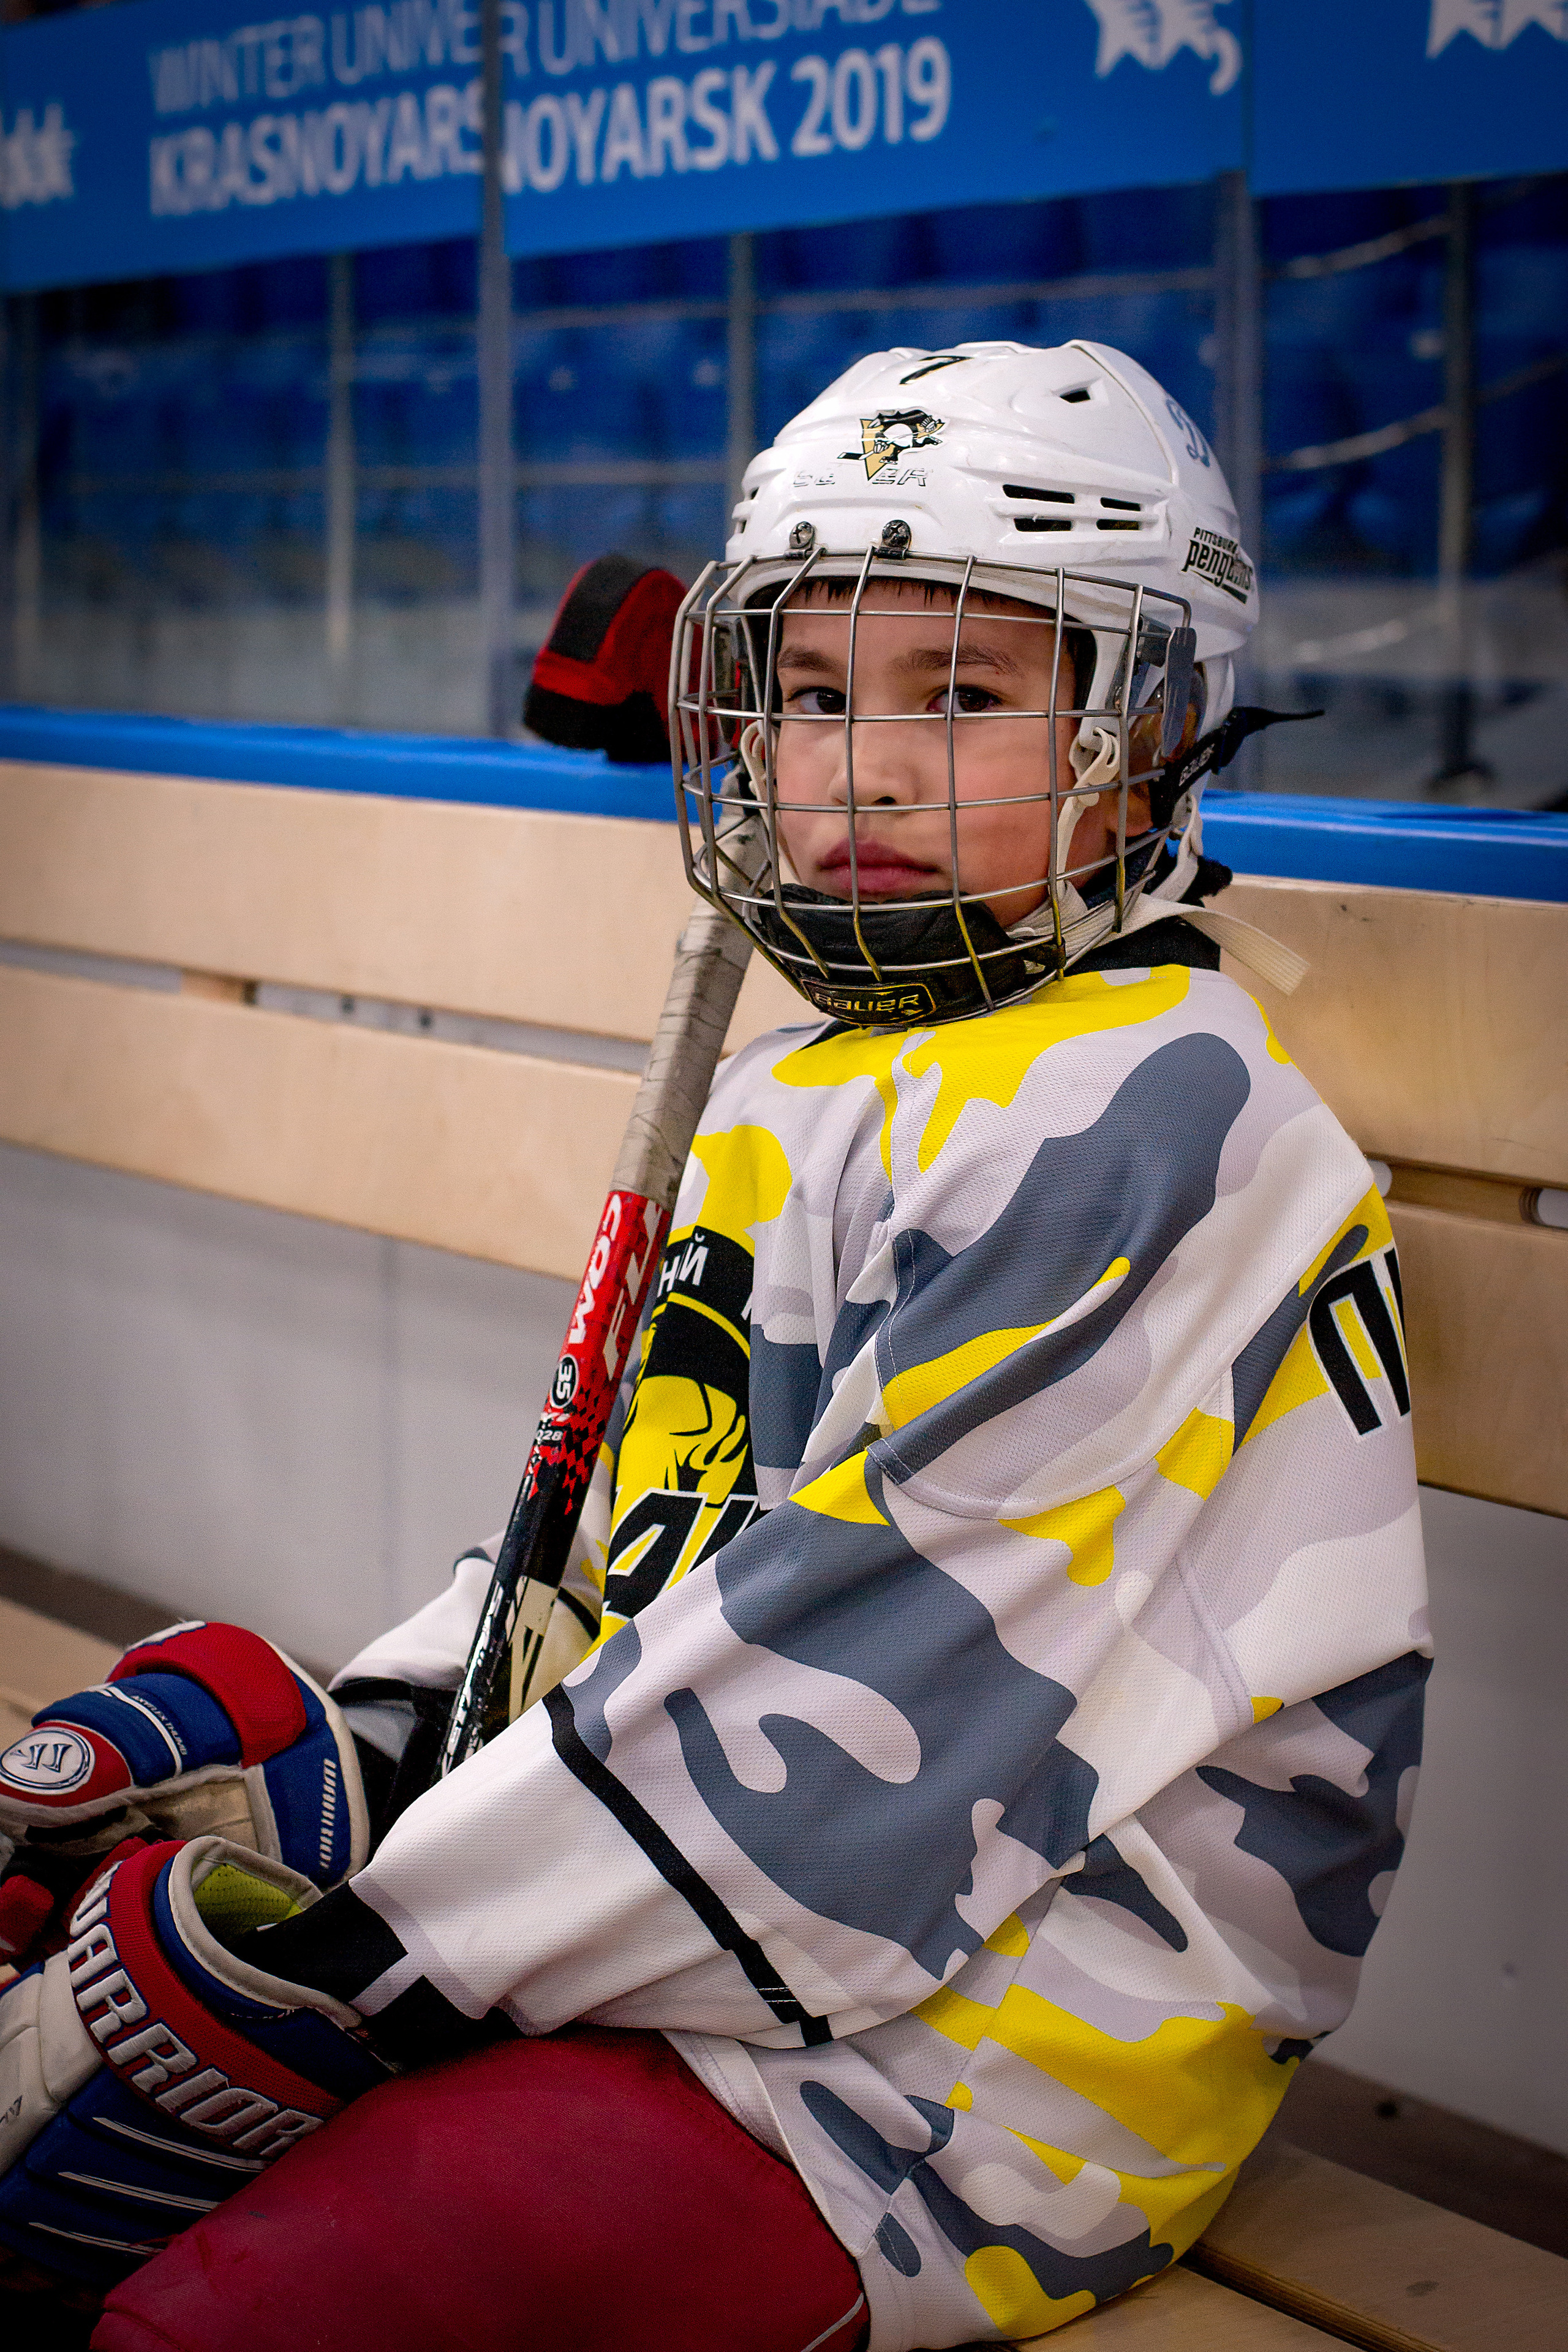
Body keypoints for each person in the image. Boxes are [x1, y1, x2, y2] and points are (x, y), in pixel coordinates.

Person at [0, 341, 1428, 2352]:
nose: (865, 768)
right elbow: (632, 1550)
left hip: (987, 2076)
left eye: (968, 695)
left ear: (1144, 729)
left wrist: (370, 1963)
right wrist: (345, 1753)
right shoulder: (806, 1082)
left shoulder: (1154, 1123)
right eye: (818, 695)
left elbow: (878, 1691)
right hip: (734, 1933)